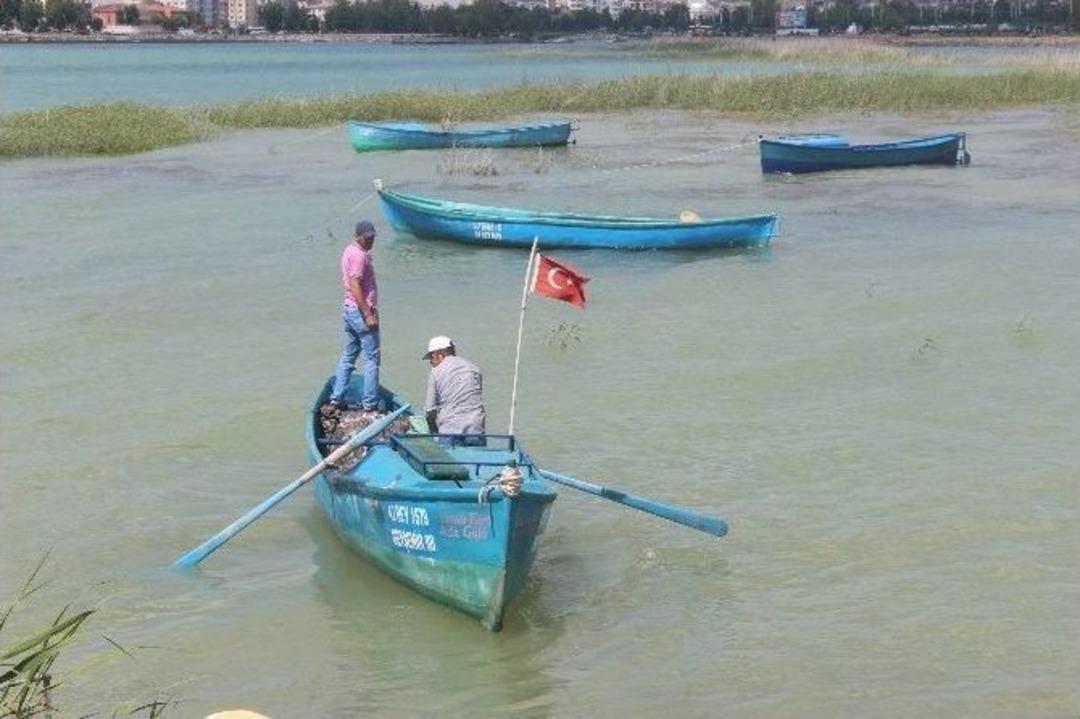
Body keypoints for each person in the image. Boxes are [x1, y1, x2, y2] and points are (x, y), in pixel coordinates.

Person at [328, 221, 380, 413]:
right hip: (361, 312)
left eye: (373, 237)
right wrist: (368, 313)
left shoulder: (349, 251)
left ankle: (336, 398)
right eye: (367, 237)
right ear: (357, 236)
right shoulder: (359, 256)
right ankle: (370, 405)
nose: (371, 240)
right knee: (372, 359)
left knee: (349, 355)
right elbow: (355, 284)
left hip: (349, 309)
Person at [423, 336, 486, 444]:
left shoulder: (436, 372)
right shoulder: (474, 369)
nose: (431, 362)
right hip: (476, 428)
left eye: (431, 357)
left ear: (439, 354)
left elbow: (429, 410)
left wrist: (434, 432)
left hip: (450, 431)